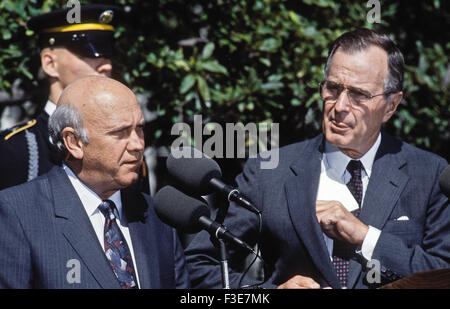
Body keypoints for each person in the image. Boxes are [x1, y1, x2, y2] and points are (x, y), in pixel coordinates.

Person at [184, 28, 450, 289]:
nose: (340, 106)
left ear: (391, 105)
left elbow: (444, 274)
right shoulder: (268, 172)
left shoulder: (429, 174)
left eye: (358, 94)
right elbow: (200, 264)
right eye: (333, 88)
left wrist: (365, 237)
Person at [0, 76, 189, 289]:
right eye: (120, 133)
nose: (137, 144)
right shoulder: (17, 213)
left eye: (139, 129)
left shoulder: (156, 215)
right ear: (74, 142)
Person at [0, 4, 149, 193]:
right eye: (89, 53)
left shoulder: (130, 153)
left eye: (107, 54)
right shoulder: (14, 151)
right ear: (50, 63)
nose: (106, 66)